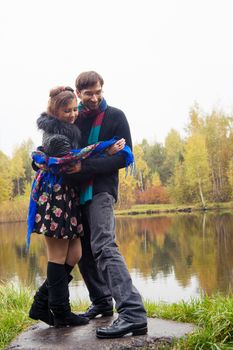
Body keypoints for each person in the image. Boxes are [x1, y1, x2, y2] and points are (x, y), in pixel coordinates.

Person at [28, 86, 125, 328]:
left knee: (76, 254)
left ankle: (41, 302)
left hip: (67, 197)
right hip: (56, 199)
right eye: (67, 110)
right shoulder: (58, 137)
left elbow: (47, 156)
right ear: (54, 111)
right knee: (58, 256)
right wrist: (105, 149)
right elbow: (73, 159)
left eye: (74, 109)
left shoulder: (65, 130)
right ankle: (60, 312)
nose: (72, 114)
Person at [65, 71, 148, 338]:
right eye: (88, 93)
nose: (94, 97)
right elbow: (67, 160)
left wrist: (85, 165)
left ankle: (133, 313)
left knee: (103, 245)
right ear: (79, 93)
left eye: (98, 92)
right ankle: (101, 301)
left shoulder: (115, 116)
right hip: (75, 193)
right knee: (84, 250)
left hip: (101, 191)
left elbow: (125, 157)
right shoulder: (73, 119)